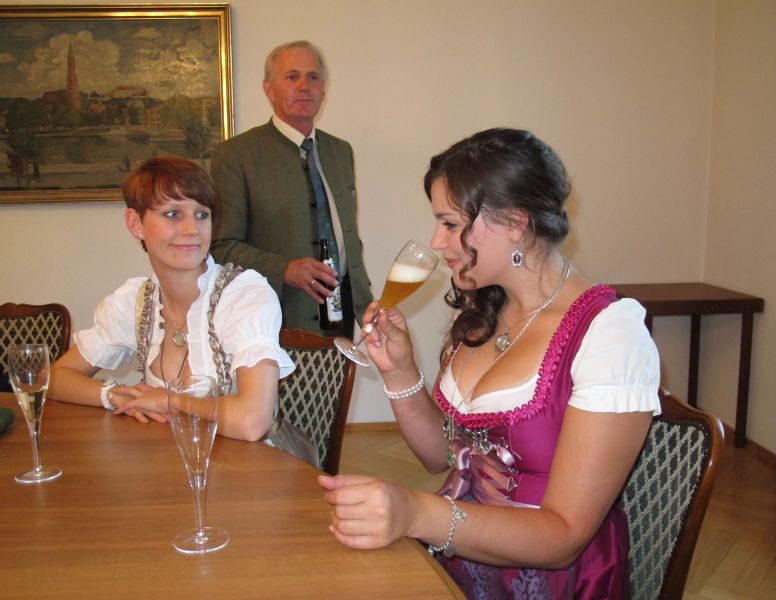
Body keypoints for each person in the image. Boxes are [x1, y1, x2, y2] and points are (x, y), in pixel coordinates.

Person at [318, 128, 661, 598]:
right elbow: (442, 456)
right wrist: (399, 372)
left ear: (516, 222)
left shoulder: (610, 334)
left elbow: (564, 538)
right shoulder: (488, 308)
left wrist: (416, 513)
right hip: (460, 552)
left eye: (450, 223)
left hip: (550, 581)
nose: (437, 241)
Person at [50, 156, 296, 444]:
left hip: (255, 463)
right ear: (135, 223)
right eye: (172, 214)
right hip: (171, 456)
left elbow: (252, 422)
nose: (192, 229)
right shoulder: (135, 301)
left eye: (202, 215)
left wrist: (169, 401)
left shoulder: (244, 296)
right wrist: (116, 395)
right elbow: (55, 378)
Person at [210, 40, 372, 337]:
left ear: (323, 90)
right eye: (291, 76)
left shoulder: (340, 152)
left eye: (313, 77)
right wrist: (284, 269)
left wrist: (367, 308)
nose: (304, 86)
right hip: (275, 325)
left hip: (342, 321)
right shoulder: (236, 155)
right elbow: (222, 247)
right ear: (269, 89)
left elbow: (347, 238)